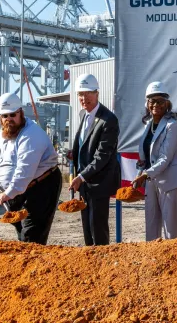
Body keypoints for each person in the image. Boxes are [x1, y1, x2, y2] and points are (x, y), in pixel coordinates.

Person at [0, 93, 61, 245]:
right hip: (17, 192)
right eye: (4, 116)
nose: (9, 119)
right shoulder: (3, 134)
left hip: (40, 187)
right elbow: (0, 157)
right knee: (21, 233)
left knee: (32, 236)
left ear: (21, 113)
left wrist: (8, 194)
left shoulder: (31, 135)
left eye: (12, 115)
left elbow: (24, 171)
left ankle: (35, 265)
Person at [70, 73, 121, 246]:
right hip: (85, 184)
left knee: (98, 230)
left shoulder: (108, 120)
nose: (84, 98)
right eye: (80, 94)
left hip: (99, 183)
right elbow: (85, 146)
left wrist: (81, 176)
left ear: (97, 93)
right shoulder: (84, 116)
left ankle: (103, 266)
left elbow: (103, 155)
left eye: (88, 93)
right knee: (87, 231)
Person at [131, 82, 177, 241]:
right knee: (151, 229)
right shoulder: (148, 125)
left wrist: (145, 175)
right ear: (147, 104)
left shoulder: (173, 125)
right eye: (152, 101)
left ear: (167, 104)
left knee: (171, 233)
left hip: (171, 183)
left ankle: (174, 264)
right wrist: (140, 171)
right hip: (151, 182)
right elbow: (146, 156)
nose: (156, 105)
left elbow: (165, 158)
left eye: (160, 101)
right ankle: (153, 263)